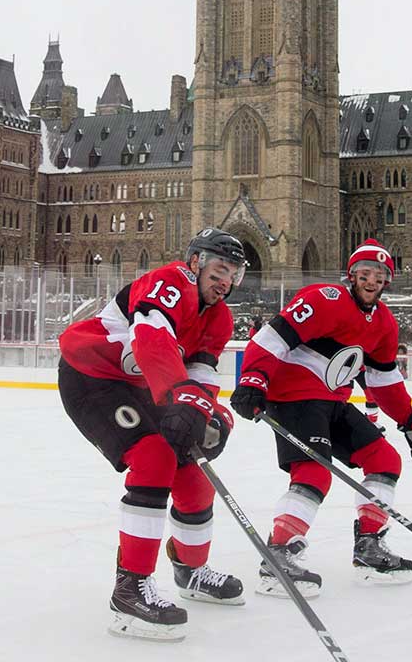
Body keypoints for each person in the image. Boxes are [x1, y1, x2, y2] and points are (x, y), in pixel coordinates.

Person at [57, 228, 248, 641]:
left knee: (194, 473)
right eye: (219, 269)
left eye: (233, 274)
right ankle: (129, 591)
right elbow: (152, 339)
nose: (226, 281)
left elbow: (200, 373)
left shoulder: (220, 317)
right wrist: (182, 400)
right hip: (92, 376)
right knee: (154, 458)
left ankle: (191, 570)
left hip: (147, 384)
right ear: (196, 262)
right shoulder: (169, 282)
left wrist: (207, 413)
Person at [230, 238, 412, 598]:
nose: (371, 280)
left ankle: (369, 547)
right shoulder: (324, 299)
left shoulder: (385, 324)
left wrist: (411, 420)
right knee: (314, 471)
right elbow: (272, 338)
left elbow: (383, 380)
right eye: (364, 273)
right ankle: (278, 553)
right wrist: (254, 379)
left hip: (332, 401)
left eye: (379, 275)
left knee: (384, 459)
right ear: (352, 275)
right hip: (293, 396)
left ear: (387, 281)